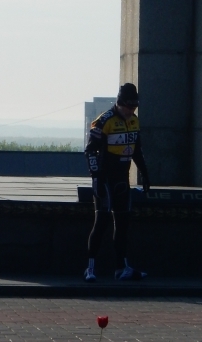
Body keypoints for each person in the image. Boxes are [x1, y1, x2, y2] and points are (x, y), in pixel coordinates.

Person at [83, 82, 151, 282]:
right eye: (129, 107)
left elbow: (137, 151)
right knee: (101, 222)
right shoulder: (104, 121)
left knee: (123, 225)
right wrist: (96, 176)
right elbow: (90, 151)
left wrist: (145, 175)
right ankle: (90, 268)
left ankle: (122, 268)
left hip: (122, 178)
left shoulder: (134, 121)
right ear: (120, 103)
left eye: (135, 107)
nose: (132, 111)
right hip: (104, 179)